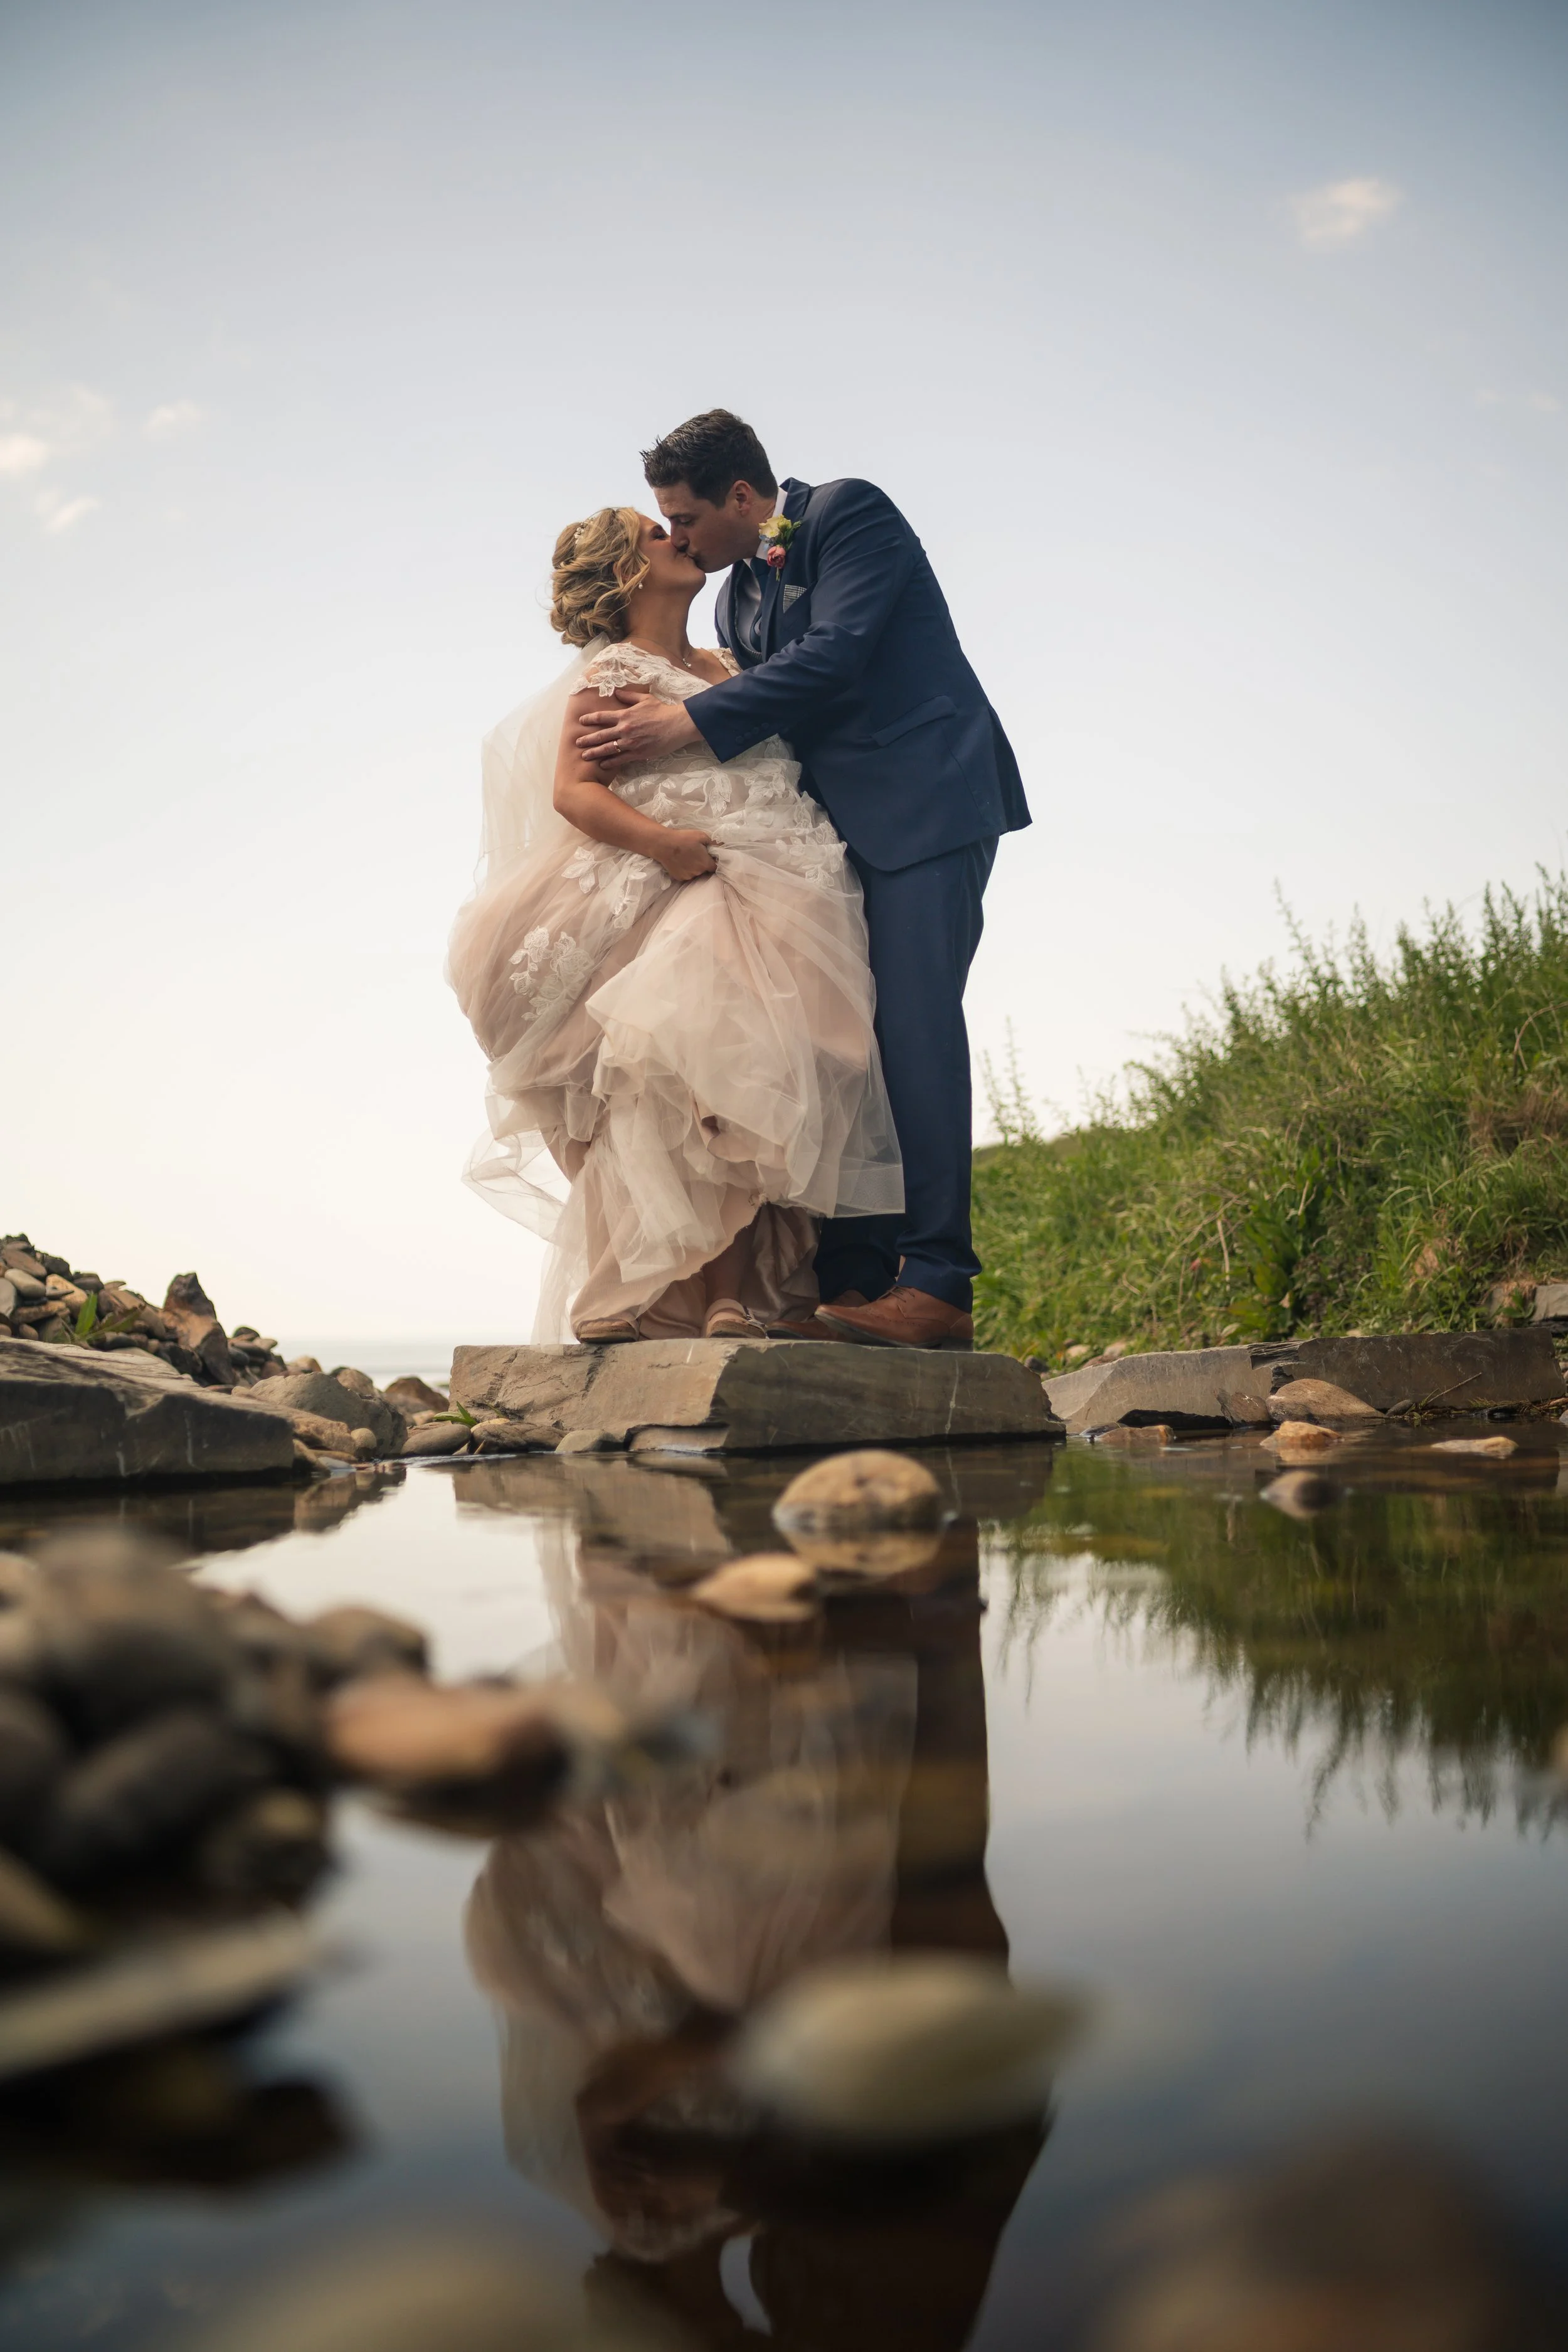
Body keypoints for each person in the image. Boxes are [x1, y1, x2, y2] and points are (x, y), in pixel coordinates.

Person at [574, 410, 1029, 1352]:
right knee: (846, 1051)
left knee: (913, 1030)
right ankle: (856, 1279)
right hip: (832, 847)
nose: (681, 539)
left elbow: (837, 655)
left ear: (743, 496)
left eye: (686, 518)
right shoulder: (737, 601)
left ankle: (939, 1280)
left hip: (924, 808)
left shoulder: (848, 517)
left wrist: (680, 729)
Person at [447, 504, 902, 1343]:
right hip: (679, 878)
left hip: (779, 883)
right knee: (670, 1074)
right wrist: (664, 847)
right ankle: (649, 1278)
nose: (678, 539)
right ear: (627, 569)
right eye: (657, 534)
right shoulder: (614, 672)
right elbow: (573, 792)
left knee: (749, 1080)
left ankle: (733, 1295)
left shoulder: (732, 662)